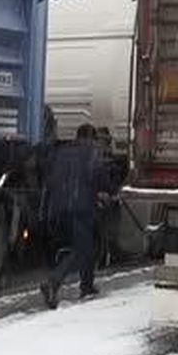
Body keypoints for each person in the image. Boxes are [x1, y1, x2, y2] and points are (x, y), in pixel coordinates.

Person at [40, 123, 105, 309]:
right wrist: (111, 190)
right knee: (82, 249)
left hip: (59, 207)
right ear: (90, 138)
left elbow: (50, 178)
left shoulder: (63, 152)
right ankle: (53, 282)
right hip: (81, 207)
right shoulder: (91, 153)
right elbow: (99, 177)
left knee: (87, 246)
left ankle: (87, 285)